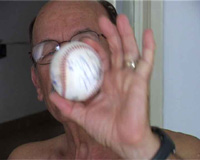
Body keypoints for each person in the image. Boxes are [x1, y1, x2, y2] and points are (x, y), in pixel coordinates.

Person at [9, 0, 200, 159]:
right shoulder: (23, 157)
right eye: (49, 51)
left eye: (84, 41)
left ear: (118, 54)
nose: (68, 62)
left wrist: (142, 147)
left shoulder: (188, 151)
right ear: (37, 83)